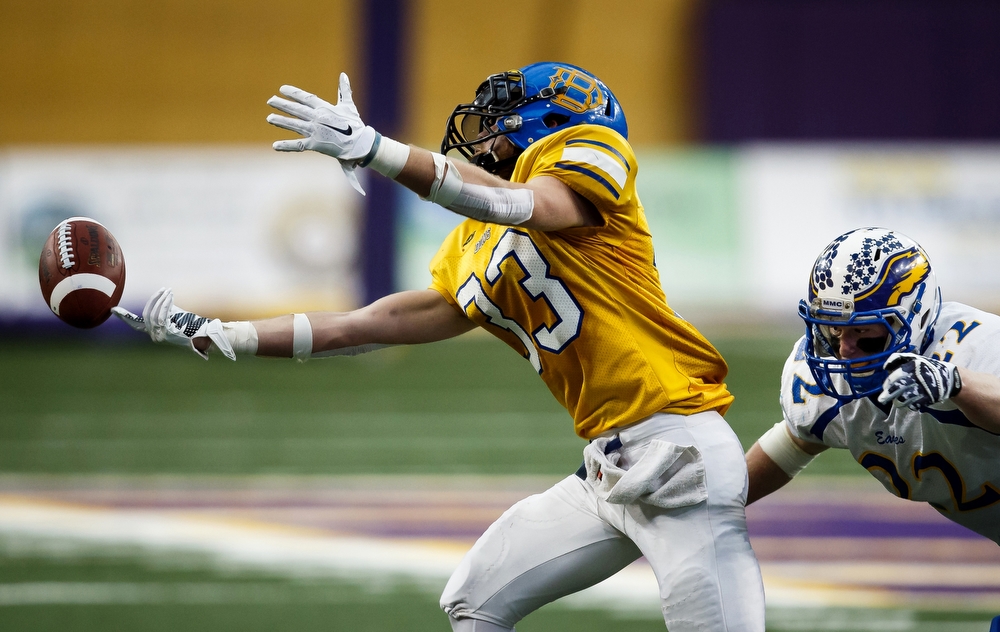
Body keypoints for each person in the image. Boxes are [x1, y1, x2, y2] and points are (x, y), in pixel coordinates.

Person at [115, 62, 765, 631]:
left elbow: (521, 205)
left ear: (548, 122)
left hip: (679, 457)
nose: (482, 133)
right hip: (608, 469)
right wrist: (229, 334)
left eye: (499, 119)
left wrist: (377, 150)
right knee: (475, 600)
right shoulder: (474, 241)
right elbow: (369, 325)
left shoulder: (589, 153)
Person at [745, 227, 1000, 544]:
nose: (843, 350)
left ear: (915, 317)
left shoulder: (974, 347)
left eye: (864, 332)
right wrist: (714, 507)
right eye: (833, 330)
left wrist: (958, 383)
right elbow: (793, 443)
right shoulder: (822, 380)